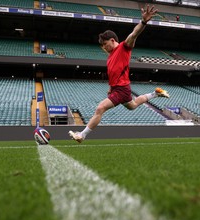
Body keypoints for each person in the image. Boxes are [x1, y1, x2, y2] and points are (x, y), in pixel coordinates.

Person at [69, 5, 170, 143]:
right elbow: (113, 73)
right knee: (133, 105)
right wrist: (111, 88)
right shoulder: (110, 57)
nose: (104, 47)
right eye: (102, 46)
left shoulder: (124, 47)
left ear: (112, 40)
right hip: (118, 88)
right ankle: (155, 93)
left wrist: (144, 22)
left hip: (122, 89)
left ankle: (82, 135)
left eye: (105, 44)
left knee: (100, 108)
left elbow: (134, 34)